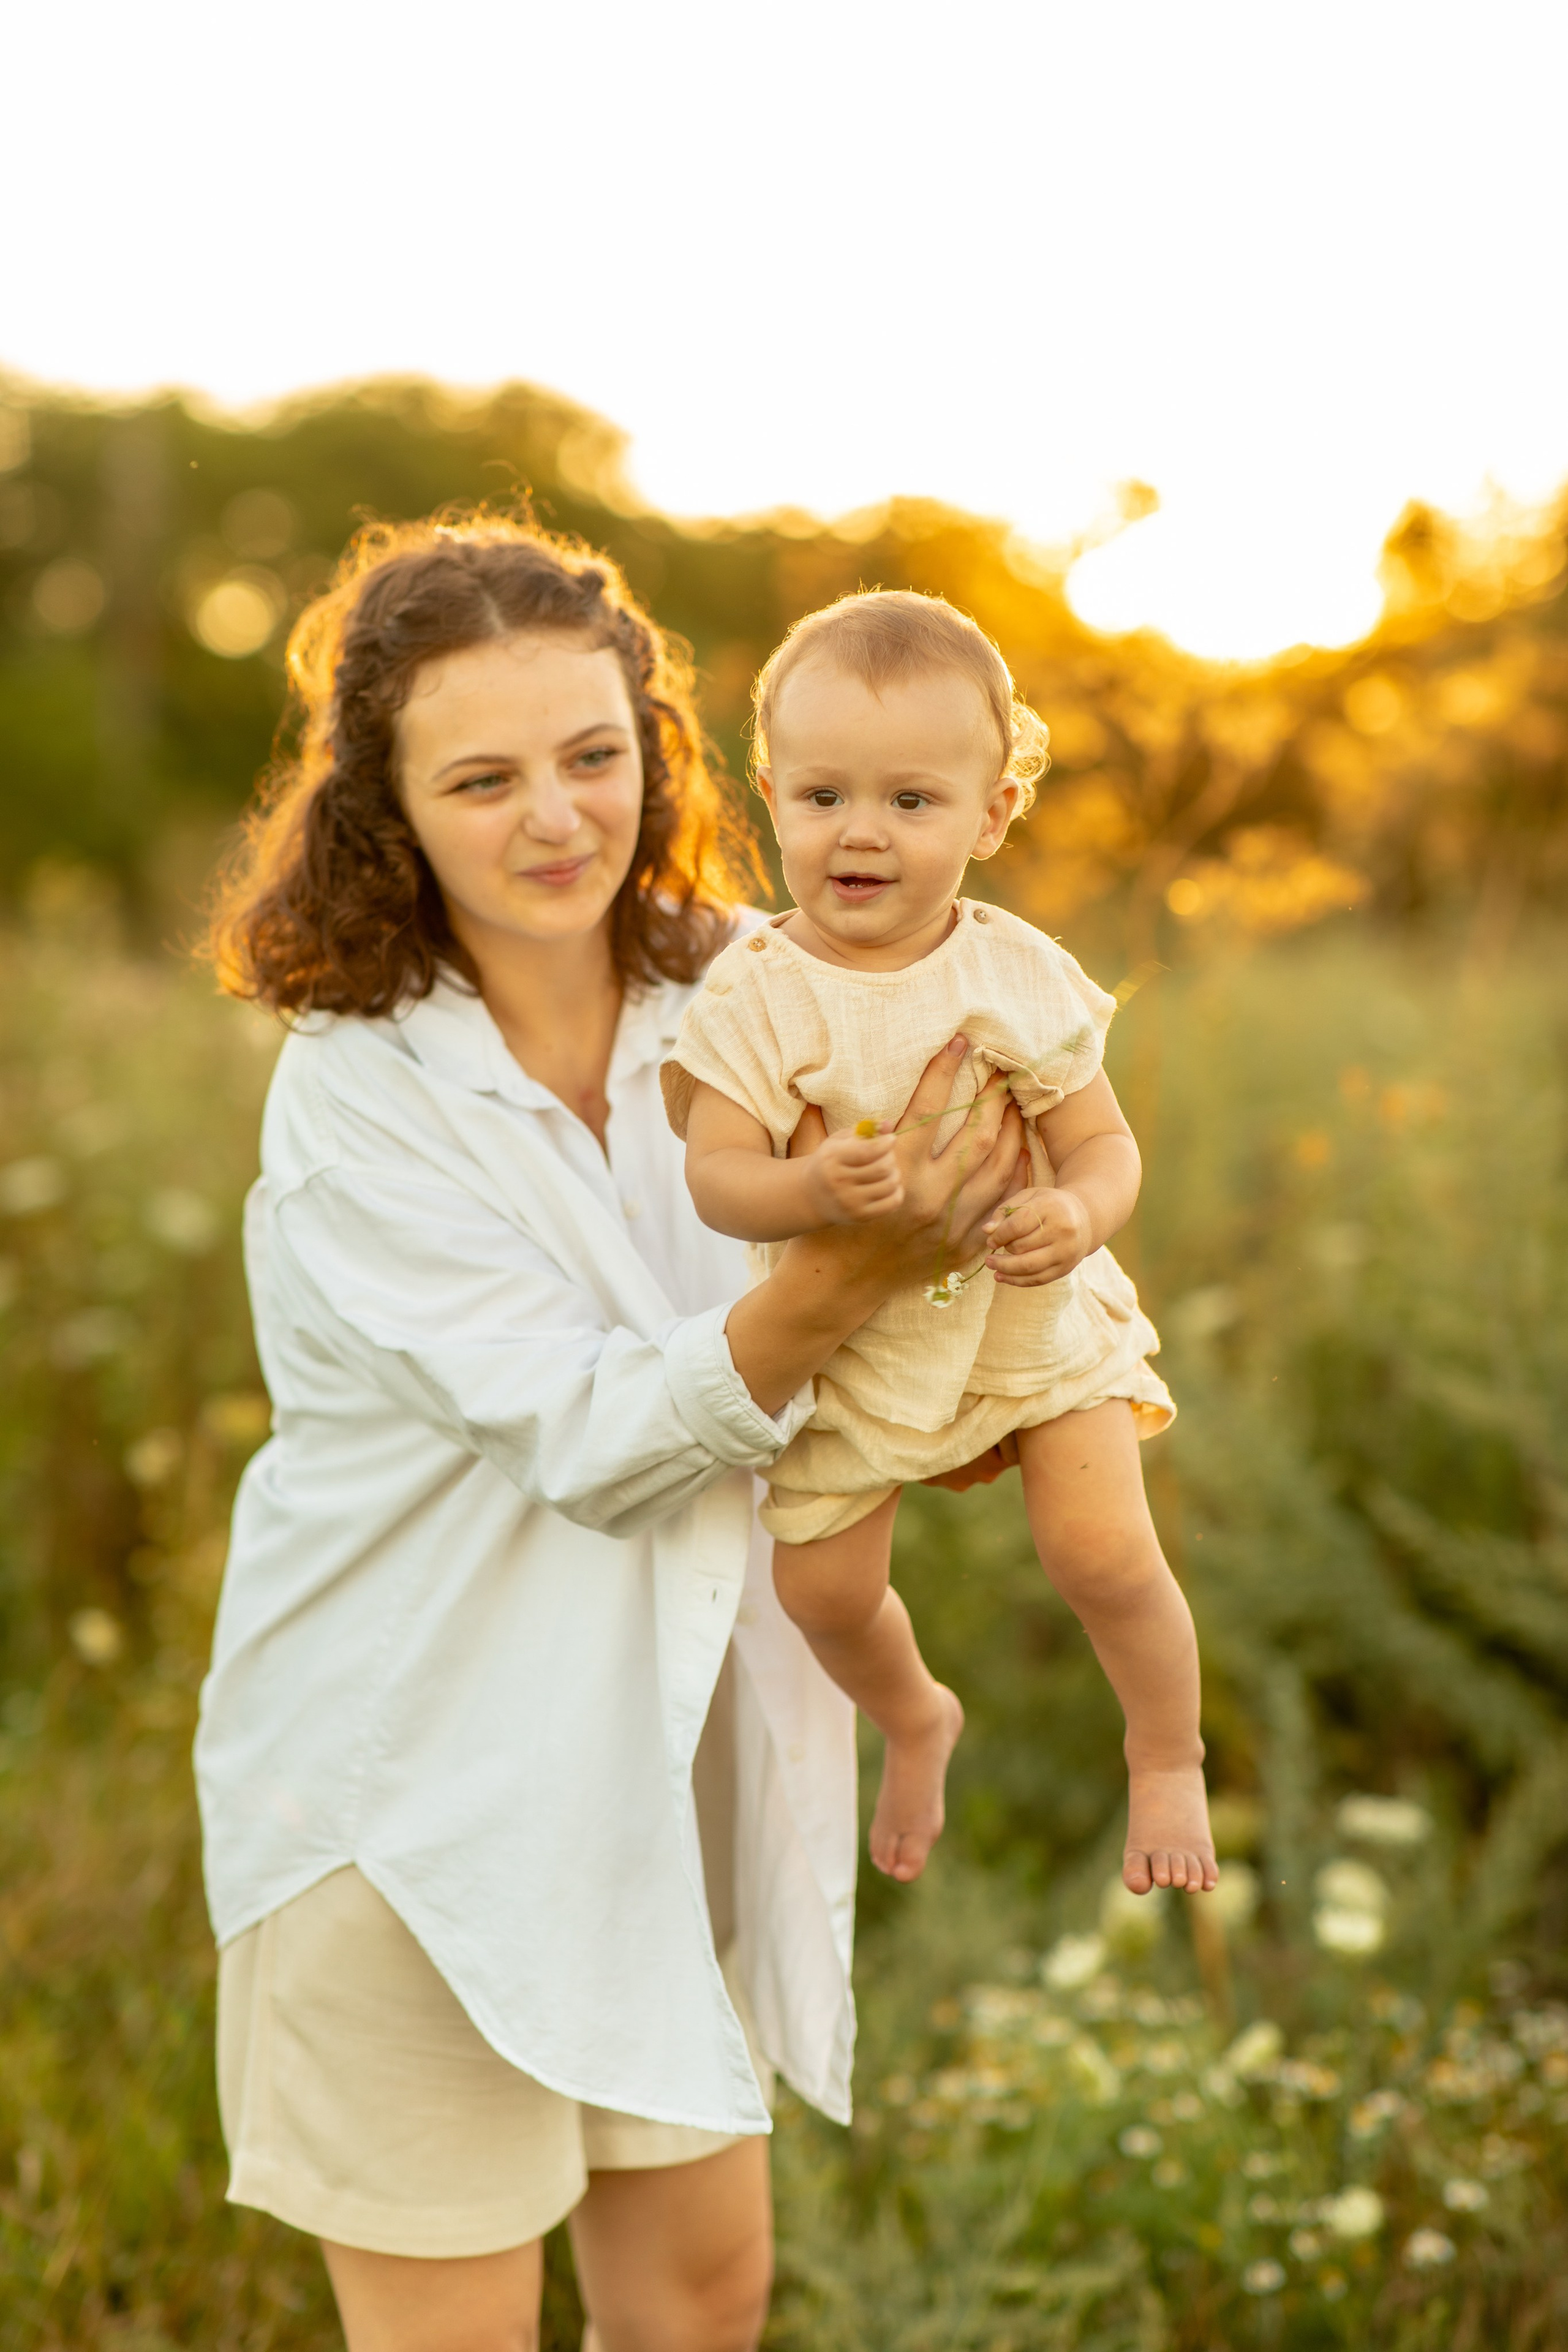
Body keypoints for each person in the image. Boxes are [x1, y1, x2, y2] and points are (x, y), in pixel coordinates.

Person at [194, 518, 1023, 2352]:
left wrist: (963, 1366)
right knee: (457, 2326)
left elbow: (986, 1111)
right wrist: (837, 1287)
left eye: (592, 754)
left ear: (653, 744)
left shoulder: (751, 985)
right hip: (408, 1790)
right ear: (389, 810)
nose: (556, 816)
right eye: (483, 778)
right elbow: (582, 1429)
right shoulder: (362, 1094)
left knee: (706, 2290)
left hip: (663, 1757)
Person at [663, 590, 1219, 1898]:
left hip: (1028, 1311)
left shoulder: (1012, 972)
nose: (860, 832)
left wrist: (1075, 1216)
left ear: (991, 814)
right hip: (852, 1339)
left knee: (1099, 1550)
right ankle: (914, 1713)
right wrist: (810, 1191)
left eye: (910, 802)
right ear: (769, 796)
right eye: (822, 797)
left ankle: (1164, 1752)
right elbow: (715, 1179)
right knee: (819, 1595)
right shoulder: (754, 992)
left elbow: (1103, 1148)